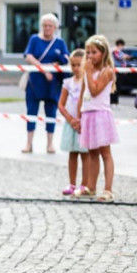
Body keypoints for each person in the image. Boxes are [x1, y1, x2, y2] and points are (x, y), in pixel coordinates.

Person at [77, 35, 118, 202]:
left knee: (105, 152)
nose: (90, 56)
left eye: (93, 52)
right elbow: (84, 92)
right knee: (91, 152)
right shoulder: (88, 70)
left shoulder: (106, 71)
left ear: (103, 53)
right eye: (87, 52)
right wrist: (79, 112)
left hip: (100, 114)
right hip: (88, 113)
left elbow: (95, 91)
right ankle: (91, 187)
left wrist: (87, 71)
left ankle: (108, 189)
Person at [22, 13, 70, 154]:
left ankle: (50, 144)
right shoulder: (34, 39)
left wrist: (56, 63)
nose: (47, 28)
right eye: (45, 25)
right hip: (35, 81)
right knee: (31, 112)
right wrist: (44, 69)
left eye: (50, 26)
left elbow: (65, 58)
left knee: (51, 113)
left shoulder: (60, 42)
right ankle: (29, 143)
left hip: (52, 84)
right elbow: (29, 56)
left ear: (55, 27)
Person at [57, 49, 89, 196]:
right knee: (73, 154)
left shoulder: (88, 82)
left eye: (79, 65)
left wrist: (82, 120)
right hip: (72, 123)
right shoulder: (68, 82)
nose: (76, 68)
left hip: (84, 124)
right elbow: (61, 104)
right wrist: (70, 119)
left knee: (85, 155)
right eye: (73, 65)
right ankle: (72, 183)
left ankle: (85, 184)